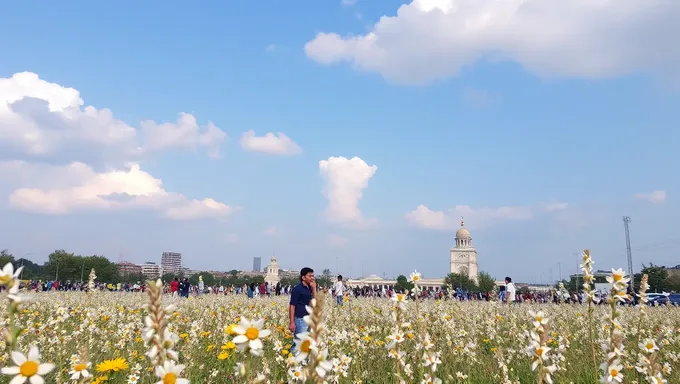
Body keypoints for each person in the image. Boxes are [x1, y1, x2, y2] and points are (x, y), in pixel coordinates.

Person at [289, 267, 316, 351]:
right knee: (298, 342)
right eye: (310, 276)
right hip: (300, 319)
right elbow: (292, 305)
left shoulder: (309, 288)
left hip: (308, 318)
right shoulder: (297, 289)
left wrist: (314, 288)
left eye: (313, 276)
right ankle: (291, 360)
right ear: (303, 277)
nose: (312, 278)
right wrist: (292, 322)